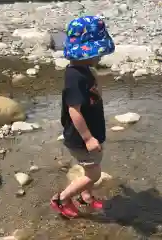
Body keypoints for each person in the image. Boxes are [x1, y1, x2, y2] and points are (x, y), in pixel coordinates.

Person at [50, 15, 115, 218]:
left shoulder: (84, 69)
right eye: (98, 52)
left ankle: (85, 196)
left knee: (92, 166)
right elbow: (73, 110)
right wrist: (88, 138)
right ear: (87, 52)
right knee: (94, 173)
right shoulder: (74, 77)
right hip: (80, 138)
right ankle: (62, 198)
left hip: (90, 132)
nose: (100, 56)